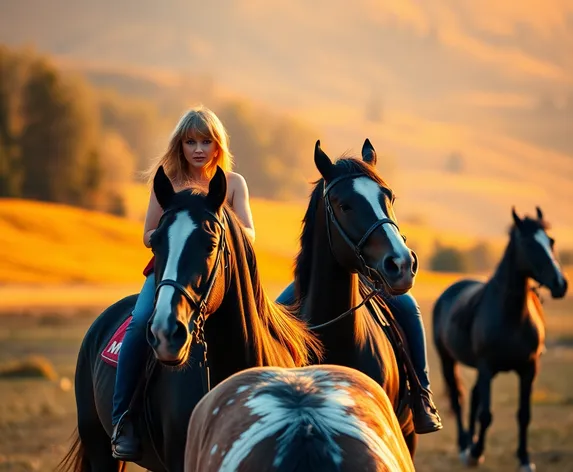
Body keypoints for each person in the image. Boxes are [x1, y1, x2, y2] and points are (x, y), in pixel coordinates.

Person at [111, 106, 256, 461]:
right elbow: (148, 232)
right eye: (190, 141)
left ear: (217, 144)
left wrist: (220, 231)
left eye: (205, 140)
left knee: (262, 322)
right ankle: (123, 419)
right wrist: (174, 233)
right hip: (170, 272)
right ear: (181, 144)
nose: (198, 148)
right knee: (142, 320)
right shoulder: (169, 182)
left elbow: (249, 234)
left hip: (218, 273)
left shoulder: (232, 184)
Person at [276, 279, 443, 434]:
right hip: (317, 274)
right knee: (277, 312)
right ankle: (270, 393)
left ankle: (421, 394)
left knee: (408, 307)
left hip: (366, 273)